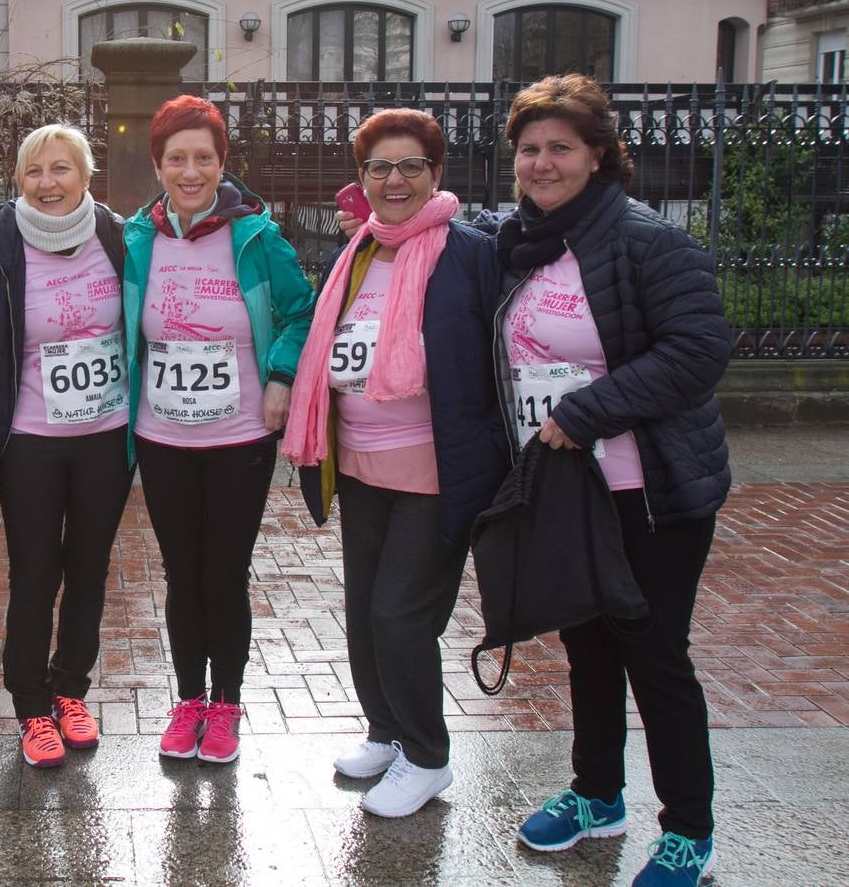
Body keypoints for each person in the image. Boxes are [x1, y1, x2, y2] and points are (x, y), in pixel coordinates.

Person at [492, 75, 731, 887]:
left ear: (597, 155)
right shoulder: (524, 242)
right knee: (584, 643)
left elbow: (698, 351)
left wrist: (591, 410)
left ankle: (688, 831)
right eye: (529, 149)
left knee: (654, 653)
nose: (542, 162)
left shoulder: (644, 240)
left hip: (651, 489)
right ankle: (597, 793)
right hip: (570, 487)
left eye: (560, 147)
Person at [282, 109, 506, 817]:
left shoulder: (466, 251)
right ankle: (384, 730)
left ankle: (428, 755)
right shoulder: (357, 253)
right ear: (361, 179)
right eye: (379, 166)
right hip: (358, 465)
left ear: (436, 175)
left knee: (401, 616)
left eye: (410, 165)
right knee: (361, 612)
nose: (394, 179)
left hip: (436, 473)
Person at [125, 95, 315, 764]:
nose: (189, 171)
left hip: (239, 438)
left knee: (223, 573)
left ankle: (226, 703)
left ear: (221, 163)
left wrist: (281, 377)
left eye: (202, 157)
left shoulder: (257, 239)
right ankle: (186, 701)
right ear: (157, 164)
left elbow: (302, 312)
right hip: (161, 437)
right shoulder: (134, 240)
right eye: (176, 158)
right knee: (181, 575)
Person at [0, 124, 130, 768]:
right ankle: (31, 706)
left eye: (62, 169)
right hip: (28, 439)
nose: (48, 183)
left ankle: (72, 691)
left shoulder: (117, 237)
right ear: (19, 179)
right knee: (34, 575)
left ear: (87, 177)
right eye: (35, 171)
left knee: (89, 570)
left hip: (105, 439)